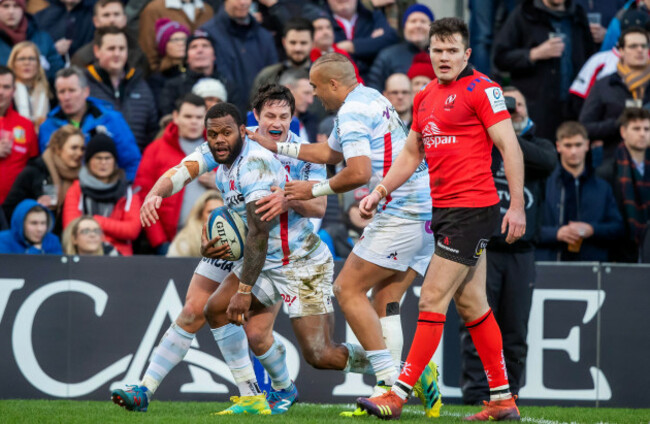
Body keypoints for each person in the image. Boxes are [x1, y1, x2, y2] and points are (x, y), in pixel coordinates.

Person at [109, 92, 335, 414]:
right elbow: (184, 169)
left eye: (283, 117)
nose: (276, 123)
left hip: (286, 254)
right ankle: (147, 389)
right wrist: (154, 195)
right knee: (194, 311)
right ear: (254, 118)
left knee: (313, 351)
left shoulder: (284, 158)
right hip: (243, 243)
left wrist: (287, 198)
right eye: (269, 116)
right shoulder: (225, 144)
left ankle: (387, 372)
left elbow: (312, 210)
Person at [248, 55, 440, 418]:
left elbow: (357, 172)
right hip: (424, 211)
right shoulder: (370, 97)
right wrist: (277, 146)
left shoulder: (351, 112)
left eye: (316, 87)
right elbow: (329, 153)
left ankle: (388, 386)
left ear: (334, 85)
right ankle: (404, 379)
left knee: (347, 289)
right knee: (386, 299)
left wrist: (312, 190)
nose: (314, 94)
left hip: (402, 211)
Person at [354, 17, 526, 421]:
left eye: (452, 51)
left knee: (431, 298)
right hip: (446, 212)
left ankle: (397, 395)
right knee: (472, 305)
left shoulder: (483, 89)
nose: (444, 57)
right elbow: (413, 153)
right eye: (438, 50)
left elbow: (509, 145)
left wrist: (516, 205)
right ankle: (502, 399)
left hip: (473, 210)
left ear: (466, 54)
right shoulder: (425, 96)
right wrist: (380, 191)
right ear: (428, 53)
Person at [459, 86, 557, 405]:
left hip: (522, 253)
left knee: (515, 331)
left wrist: (507, 132)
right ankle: (476, 394)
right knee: (478, 323)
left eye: (520, 105)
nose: (515, 110)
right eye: (506, 104)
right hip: (486, 248)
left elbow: (548, 162)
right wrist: (494, 126)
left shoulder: (539, 145)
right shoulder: (483, 144)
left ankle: (510, 394)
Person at [493, 0, 596, 141]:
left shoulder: (577, 14)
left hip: (574, 108)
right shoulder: (525, 13)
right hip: (538, 110)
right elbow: (500, 57)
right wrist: (534, 54)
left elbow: (590, 59)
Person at [133, 94, 210, 255]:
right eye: (188, 116)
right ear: (176, 117)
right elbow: (143, 194)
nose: (194, 121)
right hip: (172, 242)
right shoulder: (155, 150)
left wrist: (218, 183)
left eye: (198, 117)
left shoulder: (218, 148)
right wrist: (159, 241)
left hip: (214, 238)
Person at [537, 121, 625, 262]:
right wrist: (556, 233)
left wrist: (592, 229)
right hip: (551, 265)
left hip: (592, 268)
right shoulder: (543, 184)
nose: (573, 151)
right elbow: (527, 229)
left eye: (578, 145)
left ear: (587, 145)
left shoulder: (602, 187)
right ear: (558, 146)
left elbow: (618, 228)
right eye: (568, 145)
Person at [38, 67, 141, 181]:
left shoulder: (112, 120)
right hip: (64, 193)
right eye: (62, 92)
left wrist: (123, 191)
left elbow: (132, 162)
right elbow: (45, 168)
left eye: (72, 90)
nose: (66, 97)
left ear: (86, 91)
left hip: (106, 191)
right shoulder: (47, 127)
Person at [580, 27, 650, 164]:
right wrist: (619, 123)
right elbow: (584, 127)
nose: (640, 50)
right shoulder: (604, 85)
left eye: (644, 45)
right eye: (633, 46)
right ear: (621, 51)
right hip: (614, 162)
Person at [62, 133, 142, 256]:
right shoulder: (77, 189)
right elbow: (71, 226)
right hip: (84, 254)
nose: (103, 162)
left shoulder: (128, 191)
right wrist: (109, 233)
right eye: (98, 158)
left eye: (108, 158)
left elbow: (132, 230)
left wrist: (94, 221)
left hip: (120, 257)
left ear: (115, 162)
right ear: (89, 161)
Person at [85, 26, 158, 152]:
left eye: (122, 48)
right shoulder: (84, 84)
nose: (117, 54)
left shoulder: (141, 85)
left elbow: (152, 131)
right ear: (97, 51)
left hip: (136, 164)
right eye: (111, 48)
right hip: (96, 163)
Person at [200, 0, 278, 113]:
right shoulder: (208, 35)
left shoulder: (264, 37)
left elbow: (273, 78)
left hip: (259, 115)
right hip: (224, 115)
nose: (243, 3)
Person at [3, 125, 83, 232]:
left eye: (82, 148)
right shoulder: (34, 171)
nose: (79, 153)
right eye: (74, 148)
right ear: (58, 149)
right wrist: (33, 208)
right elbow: (8, 210)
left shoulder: (83, 177)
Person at [597, 107, 650, 262]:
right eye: (636, 128)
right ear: (623, 132)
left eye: (647, 129)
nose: (642, 133)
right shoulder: (606, 171)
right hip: (618, 252)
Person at [158, 30, 238, 117]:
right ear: (187, 57)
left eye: (205, 46)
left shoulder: (228, 86)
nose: (200, 50)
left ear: (214, 55)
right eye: (194, 47)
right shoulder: (173, 87)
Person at [324, 0, 399, 79]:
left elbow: (390, 39)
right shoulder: (322, 20)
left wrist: (351, 46)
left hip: (373, 80)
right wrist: (371, 42)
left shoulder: (371, 15)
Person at [70, 0, 149, 75]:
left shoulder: (139, 54)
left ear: (124, 19)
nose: (112, 20)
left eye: (116, 14)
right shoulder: (82, 58)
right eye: (106, 15)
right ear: (95, 21)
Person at [366, 4, 434, 91]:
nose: (418, 26)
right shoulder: (387, 56)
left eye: (423, 21)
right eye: (413, 21)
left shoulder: (441, 55)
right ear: (404, 27)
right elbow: (373, 89)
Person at [137, 0, 213, 72]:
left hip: (203, 74)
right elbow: (148, 53)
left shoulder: (207, 10)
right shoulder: (154, 9)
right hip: (166, 75)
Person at [250, 17, 314, 102]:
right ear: (284, 42)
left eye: (303, 43)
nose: (298, 48)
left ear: (312, 43)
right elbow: (254, 110)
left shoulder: (323, 78)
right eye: (293, 42)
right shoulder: (267, 76)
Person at [0, 65, 38, 205]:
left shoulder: (26, 125)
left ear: (14, 91)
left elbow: (33, 166)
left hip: (14, 205)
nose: (1, 92)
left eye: (6, 87)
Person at [0, 0, 63, 80]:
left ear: (23, 8)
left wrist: (37, 77)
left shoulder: (43, 38)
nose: (11, 11)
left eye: (16, 6)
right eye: (5, 6)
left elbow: (57, 69)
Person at [7, 41, 51, 129]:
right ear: (13, 63)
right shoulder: (5, 92)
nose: (27, 63)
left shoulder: (51, 90)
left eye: (31, 59)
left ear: (38, 63)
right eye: (21, 59)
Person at [167, 190, 223, 257]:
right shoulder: (185, 241)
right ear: (200, 215)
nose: (215, 216)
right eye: (210, 211)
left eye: (220, 212)